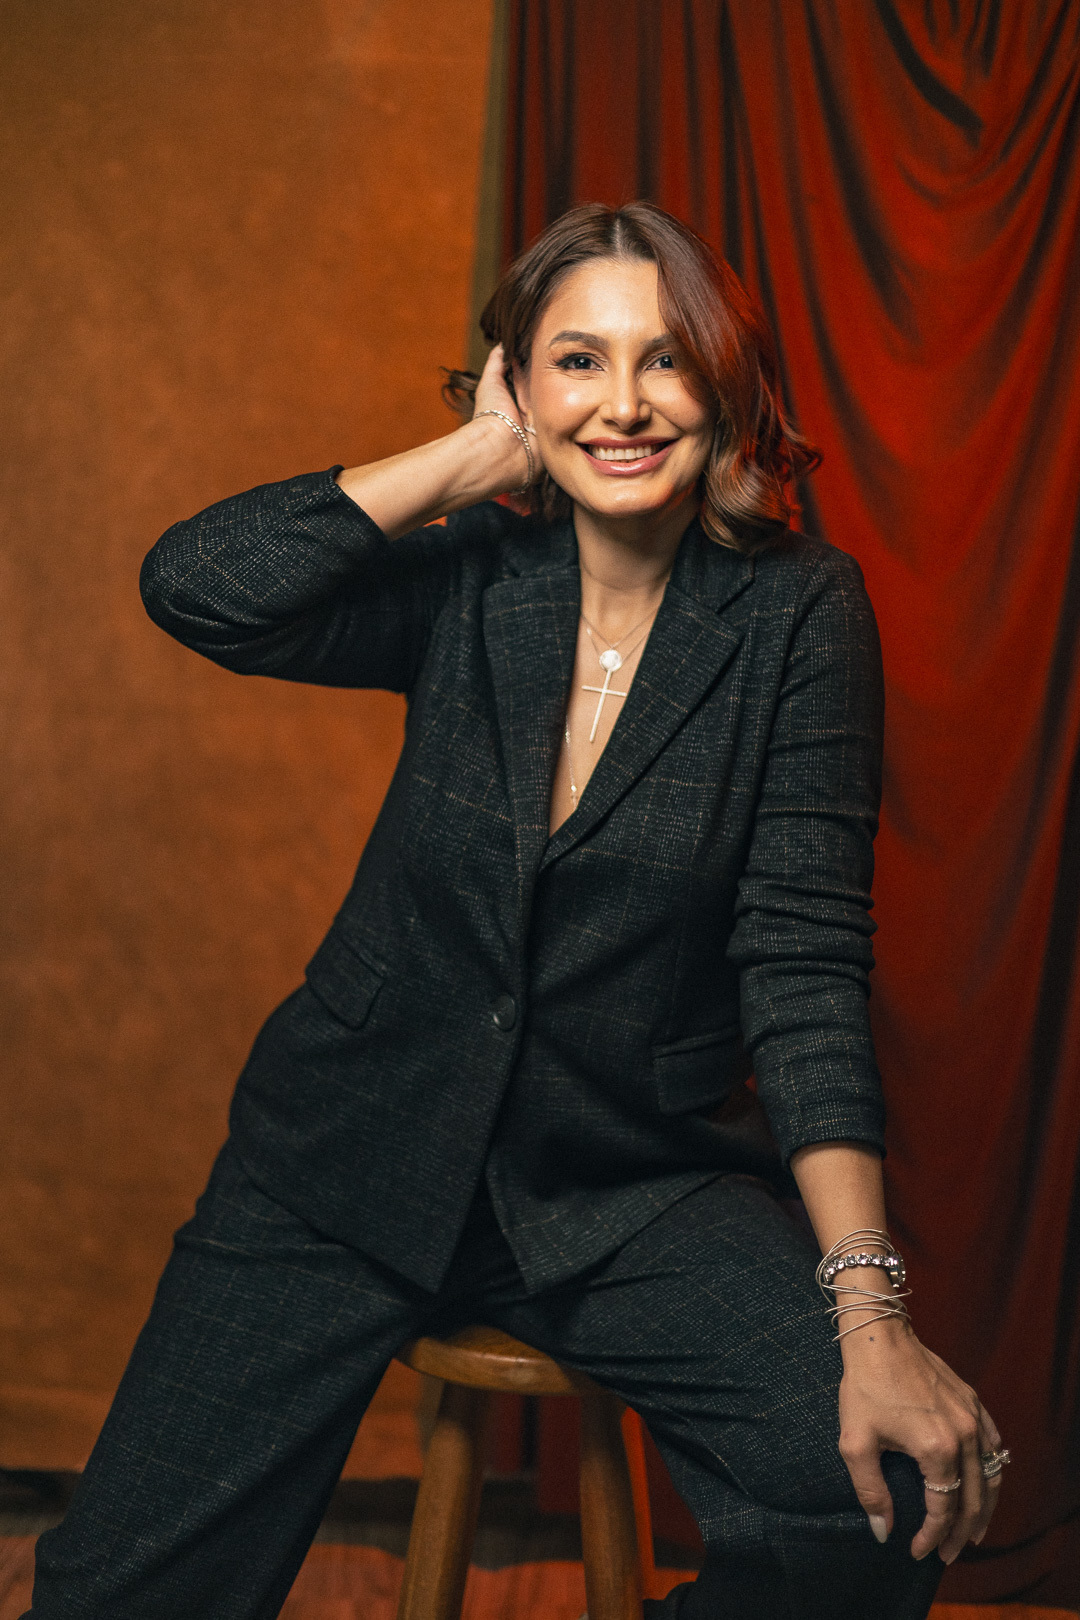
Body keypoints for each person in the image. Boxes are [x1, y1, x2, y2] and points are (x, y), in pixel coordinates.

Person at [25, 202, 1004, 1620]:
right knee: (114, 1597)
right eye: (577, 361)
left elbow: (803, 965)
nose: (624, 404)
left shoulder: (799, 613)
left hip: (624, 1179)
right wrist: (472, 459)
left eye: (666, 360)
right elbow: (198, 587)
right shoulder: (473, 570)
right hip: (346, 1152)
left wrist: (872, 1314)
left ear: (723, 384)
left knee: (889, 1492)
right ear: (520, 382)